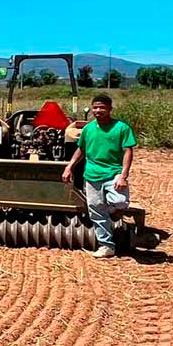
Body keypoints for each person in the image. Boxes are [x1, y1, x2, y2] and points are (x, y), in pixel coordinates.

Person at [61, 94, 136, 259]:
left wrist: (123, 175)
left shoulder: (122, 128)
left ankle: (111, 212)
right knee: (95, 211)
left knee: (120, 201)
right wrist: (69, 167)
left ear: (110, 108)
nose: (97, 110)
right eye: (95, 107)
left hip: (113, 173)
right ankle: (106, 246)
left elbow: (128, 151)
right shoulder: (88, 129)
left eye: (102, 107)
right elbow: (80, 150)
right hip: (92, 175)